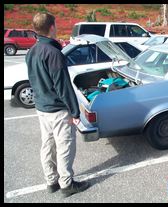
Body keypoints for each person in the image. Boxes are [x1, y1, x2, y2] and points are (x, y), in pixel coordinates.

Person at [26, 12, 89, 198]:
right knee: (64, 147)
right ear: (52, 27)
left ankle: (51, 181)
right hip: (58, 110)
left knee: (47, 145)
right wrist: (75, 112)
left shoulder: (32, 51)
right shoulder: (53, 53)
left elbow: (34, 80)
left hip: (41, 108)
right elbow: (63, 87)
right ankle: (66, 184)